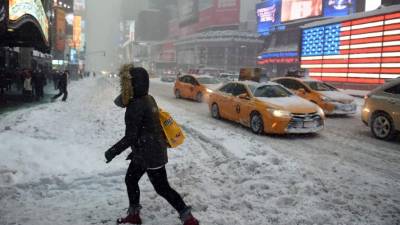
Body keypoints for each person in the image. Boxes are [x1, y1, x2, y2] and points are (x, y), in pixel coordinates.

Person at [104, 65, 199, 225]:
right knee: (131, 180)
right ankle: (134, 215)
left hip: (150, 154)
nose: (124, 86)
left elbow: (130, 137)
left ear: (134, 85)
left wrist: (112, 152)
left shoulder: (136, 105)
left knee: (162, 188)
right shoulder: (147, 98)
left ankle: (188, 218)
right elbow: (139, 124)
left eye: (127, 83)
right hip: (146, 151)